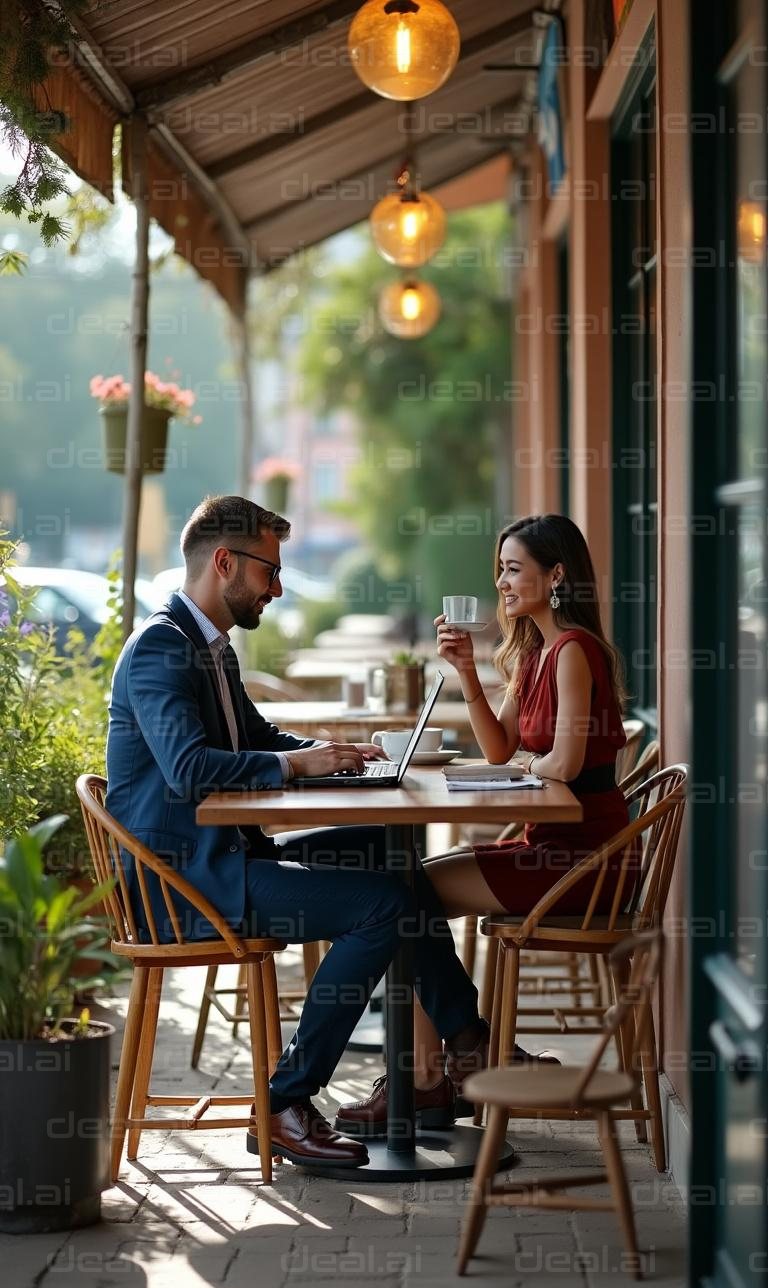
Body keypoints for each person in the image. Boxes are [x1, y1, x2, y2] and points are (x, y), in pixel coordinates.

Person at [106, 494, 486, 1168]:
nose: (278, 588)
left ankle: (464, 1046)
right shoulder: (160, 651)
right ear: (224, 562)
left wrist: (331, 754)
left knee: (392, 861)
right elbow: (191, 770)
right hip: (187, 883)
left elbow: (258, 738)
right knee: (383, 906)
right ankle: (285, 1099)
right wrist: (292, 763)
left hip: (224, 858)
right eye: (268, 573)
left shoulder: (209, 647)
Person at [337, 513, 632, 1132]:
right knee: (400, 892)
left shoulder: (574, 651)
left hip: (587, 862)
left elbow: (566, 761)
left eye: (513, 569)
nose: (501, 582)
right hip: (547, 844)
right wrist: (468, 673)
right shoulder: (535, 654)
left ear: (556, 576)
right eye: (499, 568)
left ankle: (430, 1077)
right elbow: (502, 751)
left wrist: (534, 761)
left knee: (400, 897)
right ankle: (447, 1064)